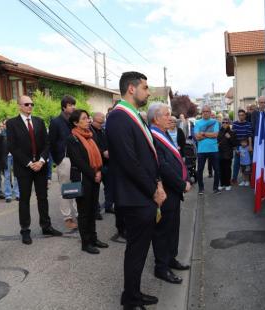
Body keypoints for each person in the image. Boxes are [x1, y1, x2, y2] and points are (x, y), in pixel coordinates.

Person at [106, 71, 166, 310]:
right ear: (131, 89)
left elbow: (147, 155)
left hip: (142, 193)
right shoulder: (118, 118)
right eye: (145, 87)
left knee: (140, 251)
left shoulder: (133, 116)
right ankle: (130, 300)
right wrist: (153, 189)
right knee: (136, 251)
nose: (148, 92)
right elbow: (130, 162)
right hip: (135, 196)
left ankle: (134, 293)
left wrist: (158, 181)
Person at [6, 95, 62, 245]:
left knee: (43, 197)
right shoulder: (12, 124)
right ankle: (25, 230)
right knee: (24, 199)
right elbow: (12, 146)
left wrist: (42, 161)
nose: (30, 106)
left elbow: (47, 143)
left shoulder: (39, 121)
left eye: (32, 104)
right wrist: (30, 163)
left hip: (41, 167)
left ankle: (46, 226)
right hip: (24, 168)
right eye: (26, 104)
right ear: (19, 106)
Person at [148, 103, 192, 285]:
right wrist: (182, 184)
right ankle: (161, 267)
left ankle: (171, 258)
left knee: (173, 228)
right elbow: (163, 167)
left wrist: (187, 177)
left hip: (173, 191)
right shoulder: (153, 137)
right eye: (166, 115)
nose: (170, 117)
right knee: (163, 231)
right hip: (164, 191)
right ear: (156, 119)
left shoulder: (164, 133)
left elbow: (176, 158)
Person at [67, 109, 108, 254]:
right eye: (84, 118)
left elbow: (98, 157)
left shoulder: (90, 136)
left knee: (93, 209)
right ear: (76, 122)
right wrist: (93, 174)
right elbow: (78, 161)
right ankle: (86, 243)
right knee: (84, 212)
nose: (88, 120)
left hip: (94, 177)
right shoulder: (72, 138)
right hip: (83, 178)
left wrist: (99, 171)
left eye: (88, 118)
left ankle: (94, 238)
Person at [49, 95, 78, 230]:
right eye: (71, 105)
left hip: (76, 159)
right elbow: (51, 143)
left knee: (76, 187)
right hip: (64, 160)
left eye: (74, 105)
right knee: (66, 190)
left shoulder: (74, 121)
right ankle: (67, 218)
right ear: (64, 107)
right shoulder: (56, 122)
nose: (73, 107)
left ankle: (78, 215)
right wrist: (58, 160)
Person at [195, 105, 221, 195]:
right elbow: (197, 137)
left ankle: (215, 188)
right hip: (201, 150)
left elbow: (216, 135)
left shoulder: (215, 122)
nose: (205, 113)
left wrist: (203, 134)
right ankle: (201, 188)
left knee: (217, 170)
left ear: (210, 112)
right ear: (201, 113)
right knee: (200, 170)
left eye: (207, 111)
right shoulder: (197, 123)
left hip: (213, 149)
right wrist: (209, 134)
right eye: (204, 111)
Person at [0, 119, 19, 203]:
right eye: (6, 124)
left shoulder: (16, 133)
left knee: (16, 175)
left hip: (15, 157)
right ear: (4, 125)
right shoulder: (1, 135)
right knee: (7, 176)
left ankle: (17, 194)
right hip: (6, 157)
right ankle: (8, 195)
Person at [89, 111, 107, 220]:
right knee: (95, 189)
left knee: (108, 186)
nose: (104, 117)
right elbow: (93, 147)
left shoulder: (103, 130)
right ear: (94, 119)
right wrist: (102, 152)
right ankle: (95, 211)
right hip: (96, 163)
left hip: (106, 162)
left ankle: (108, 206)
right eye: (99, 122)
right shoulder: (90, 131)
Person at [231, 109, 253, 184]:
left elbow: (250, 135)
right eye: (239, 115)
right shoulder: (235, 124)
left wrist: (250, 146)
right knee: (236, 163)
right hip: (238, 146)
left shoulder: (248, 124)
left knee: (248, 163)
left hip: (246, 147)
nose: (241, 116)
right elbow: (233, 137)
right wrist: (234, 148)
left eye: (242, 115)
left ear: (245, 115)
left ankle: (249, 179)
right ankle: (234, 179)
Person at [217, 117, 238, 190]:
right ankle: (222, 184)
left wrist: (230, 138)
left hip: (228, 154)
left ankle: (228, 184)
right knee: (220, 169)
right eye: (223, 122)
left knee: (227, 169)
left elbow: (235, 144)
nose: (225, 124)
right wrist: (217, 144)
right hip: (220, 153)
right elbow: (217, 141)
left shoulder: (232, 132)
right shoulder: (219, 131)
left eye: (226, 122)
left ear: (229, 124)